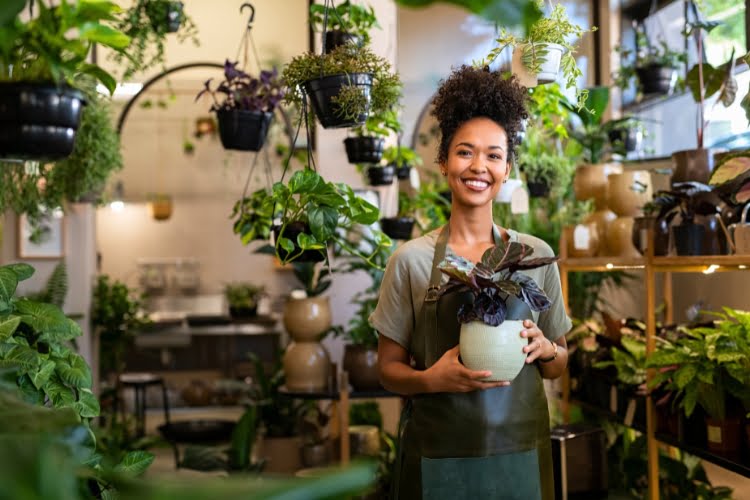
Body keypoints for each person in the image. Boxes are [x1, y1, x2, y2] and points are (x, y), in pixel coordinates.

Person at [369, 65, 572, 500]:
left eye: (494, 155)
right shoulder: (411, 261)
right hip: (440, 459)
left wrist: (547, 348)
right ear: (443, 162)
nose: (479, 166)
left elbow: (558, 364)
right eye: (465, 152)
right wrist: (432, 380)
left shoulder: (534, 256)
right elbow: (387, 370)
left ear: (507, 167)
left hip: (520, 457)